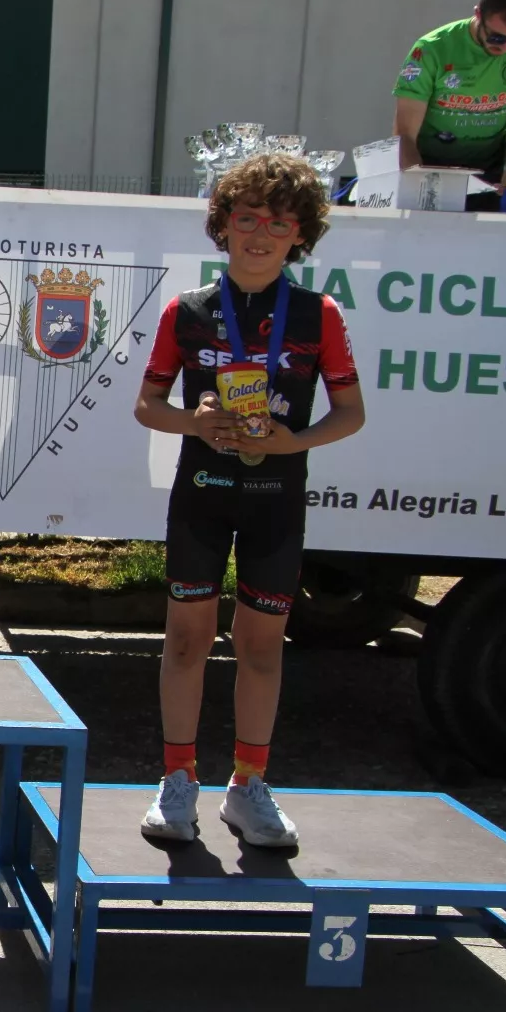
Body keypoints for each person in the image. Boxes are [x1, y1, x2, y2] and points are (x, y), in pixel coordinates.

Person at [133, 154, 364, 847]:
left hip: (275, 501)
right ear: (223, 225)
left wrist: (294, 442)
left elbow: (350, 413)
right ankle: (178, 780)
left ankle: (248, 786)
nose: (260, 235)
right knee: (187, 639)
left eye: (279, 223)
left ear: (301, 234)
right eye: (248, 218)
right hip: (202, 496)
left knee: (261, 646)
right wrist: (194, 422)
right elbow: (147, 406)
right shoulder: (188, 311)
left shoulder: (319, 315)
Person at [394, 0, 506, 211]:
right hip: (429, 170)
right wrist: (418, 188)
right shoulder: (431, 50)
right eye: (496, 38)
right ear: (478, 14)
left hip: (489, 178)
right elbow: (405, 135)